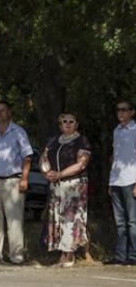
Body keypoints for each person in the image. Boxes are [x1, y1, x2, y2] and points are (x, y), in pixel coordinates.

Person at [0, 101, 33, 264]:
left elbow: (27, 157)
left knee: (14, 219)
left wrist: (24, 178)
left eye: (2, 111)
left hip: (13, 180)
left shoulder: (18, 132)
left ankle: (16, 255)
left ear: (9, 112)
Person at [40, 113, 91, 267]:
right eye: (64, 121)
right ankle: (62, 255)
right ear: (60, 125)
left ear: (76, 124)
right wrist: (46, 172)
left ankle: (69, 255)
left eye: (71, 121)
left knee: (71, 220)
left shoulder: (81, 140)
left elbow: (81, 164)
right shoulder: (54, 140)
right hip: (57, 186)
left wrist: (60, 174)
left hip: (74, 185)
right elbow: (43, 158)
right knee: (58, 220)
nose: (67, 124)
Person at [108, 101, 136, 265]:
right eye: (118, 110)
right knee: (120, 222)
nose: (120, 113)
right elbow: (115, 157)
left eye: (124, 110)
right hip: (116, 180)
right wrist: (110, 182)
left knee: (132, 221)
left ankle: (133, 256)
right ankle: (121, 256)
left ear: (132, 112)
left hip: (131, 179)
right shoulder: (116, 131)